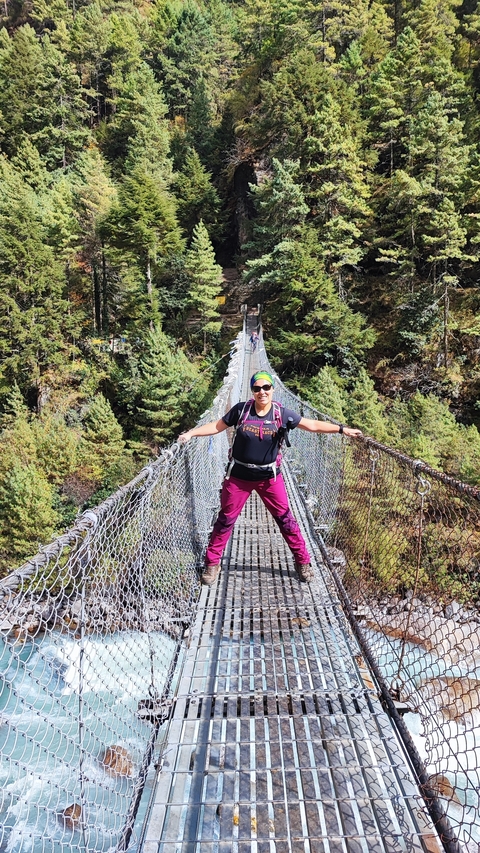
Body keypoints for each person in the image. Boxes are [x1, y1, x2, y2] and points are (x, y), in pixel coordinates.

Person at [178, 371, 362, 586]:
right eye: (257, 388)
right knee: (225, 520)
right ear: (252, 391)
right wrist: (191, 433)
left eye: (266, 387)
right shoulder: (241, 411)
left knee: (286, 520)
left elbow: (311, 425)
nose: (262, 392)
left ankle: (303, 562)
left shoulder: (281, 414)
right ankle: (212, 563)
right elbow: (217, 427)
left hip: (269, 478)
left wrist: (341, 429)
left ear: (273, 389)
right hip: (238, 476)